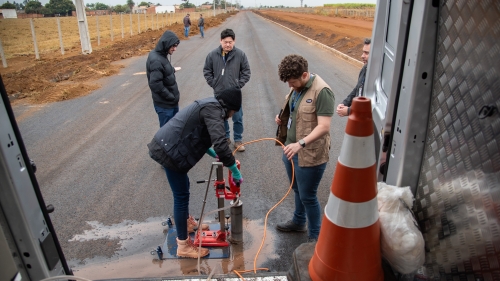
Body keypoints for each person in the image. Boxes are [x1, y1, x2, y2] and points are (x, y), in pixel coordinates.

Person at [147, 86, 243, 258]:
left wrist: (217, 155)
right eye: (233, 111)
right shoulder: (215, 111)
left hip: (169, 146)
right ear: (230, 107)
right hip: (169, 151)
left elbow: (198, 134)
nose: (231, 115)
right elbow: (220, 143)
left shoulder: (211, 105)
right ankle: (183, 246)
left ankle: (187, 223)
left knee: (184, 189)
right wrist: (234, 170)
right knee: (181, 196)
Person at [274, 54, 335, 242]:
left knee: (308, 196)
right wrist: (281, 117)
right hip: (290, 151)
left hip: (309, 154)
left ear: (305, 75)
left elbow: (324, 126)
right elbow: (296, 111)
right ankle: (299, 222)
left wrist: (300, 144)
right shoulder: (297, 88)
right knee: (297, 190)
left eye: (292, 82)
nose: (290, 86)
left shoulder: (322, 91)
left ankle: (315, 239)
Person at [203, 29, 251, 152]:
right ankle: (225, 138)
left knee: (238, 118)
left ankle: (238, 140)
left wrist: (238, 85)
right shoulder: (213, 55)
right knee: (220, 117)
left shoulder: (240, 55)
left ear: (234, 41)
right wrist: (214, 84)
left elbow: (246, 72)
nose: (228, 44)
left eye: (230, 42)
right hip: (219, 93)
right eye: (225, 42)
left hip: (234, 94)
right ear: (220, 41)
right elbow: (207, 71)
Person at [146, 30, 180, 127]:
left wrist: (172, 70)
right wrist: (170, 97)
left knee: (173, 132)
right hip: (165, 106)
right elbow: (155, 84)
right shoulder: (156, 59)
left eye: (176, 46)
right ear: (166, 44)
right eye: (173, 46)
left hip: (170, 104)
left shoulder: (161, 55)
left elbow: (161, 70)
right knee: (167, 135)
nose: (175, 49)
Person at [336, 38, 370, 117]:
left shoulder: (379, 79)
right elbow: (357, 89)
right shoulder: (365, 68)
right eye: (363, 52)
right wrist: (345, 103)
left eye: (366, 53)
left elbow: (371, 105)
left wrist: (349, 111)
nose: (362, 56)